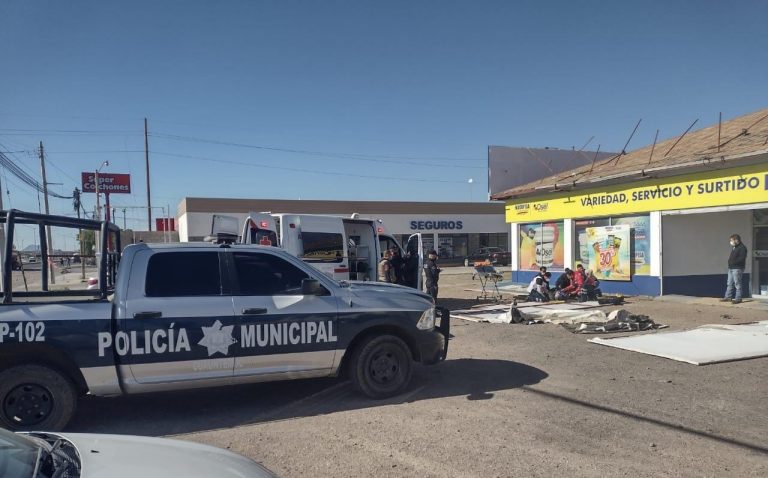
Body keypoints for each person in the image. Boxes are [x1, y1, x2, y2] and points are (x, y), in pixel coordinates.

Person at [721, 233, 747, 304]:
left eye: (732, 240)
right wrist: (730, 263)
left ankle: (738, 298)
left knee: (737, 283)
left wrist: (733, 262)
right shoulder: (734, 247)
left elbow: (742, 258)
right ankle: (728, 297)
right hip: (731, 268)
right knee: (729, 283)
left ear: (736, 240)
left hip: (737, 268)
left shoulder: (742, 248)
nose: (731, 242)